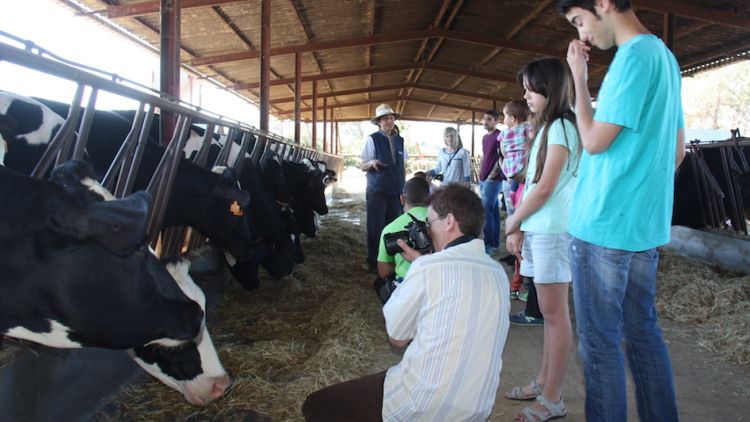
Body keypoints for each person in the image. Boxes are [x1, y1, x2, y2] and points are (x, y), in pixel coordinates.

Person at [559, 0, 685, 421]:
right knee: (643, 334)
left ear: (603, 4)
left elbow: (593, 140)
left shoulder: (632, 58)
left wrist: (578, 78)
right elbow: (678, 150)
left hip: (603, 227)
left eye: (580, 21)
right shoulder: (665, 58)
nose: (582, 35)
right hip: (642, 229)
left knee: (599, 345)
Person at [302, 185, 510, 421]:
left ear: (449, 221)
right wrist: (424, 264)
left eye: (430, 223)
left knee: (316, 405)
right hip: (477, 407)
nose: (428, 231)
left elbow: (397, 338)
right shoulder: (498, 272)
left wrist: (416, 271)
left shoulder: (427, 269)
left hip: (423, 403)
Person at [503, 57, 581, 422]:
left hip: (553, 230)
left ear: (549, 89)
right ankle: (543, 381)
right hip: (540, 227)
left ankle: (553, 398)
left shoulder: (563, 126)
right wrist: (520, 224)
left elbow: (547, 186)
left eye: (532, 88)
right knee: (549, 315)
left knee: (555, 317)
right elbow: (534, 181)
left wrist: (514, 219)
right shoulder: (549, 126)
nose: (525, 95)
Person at [361, 103, 407, 275]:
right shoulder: (372, 139)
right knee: (375, 227)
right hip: (377, 191)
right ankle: (373, 261)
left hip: (395, 192)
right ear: (378, 122)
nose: (389, 121)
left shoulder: (400, 141)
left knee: (394, 228)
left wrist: (403, 187)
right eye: (385, 118)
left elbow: (402, 166)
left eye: (391, 117)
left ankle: (391, 260)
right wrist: (372, 163)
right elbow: (362, 165)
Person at [373, 176, 430, 303]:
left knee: (379, 284)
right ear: (429, 199)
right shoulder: (442, 223)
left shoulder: (390, 229)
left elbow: (383, 271)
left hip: (407, 289)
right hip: (435, 285)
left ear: (402, 199)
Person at [499, 99, 533, 216]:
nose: (504, 120)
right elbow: (532, 138)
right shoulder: (526, 127)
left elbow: (503, 150)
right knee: (521, 177)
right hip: (523, 158)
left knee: (513, 176)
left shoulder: (504, 133)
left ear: (513, 119)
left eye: (505, 117)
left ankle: (511, 195)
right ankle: (513, 194)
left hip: (510, 160)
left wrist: (508, 155)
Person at [479, 110, 505, 255]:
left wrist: (491, 176)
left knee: (486, 210)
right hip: (484, 178)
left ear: (495, 121)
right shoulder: (484, 137)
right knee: (493, 211)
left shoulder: (499, 136)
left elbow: (500, 158)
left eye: (489, 119)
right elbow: (485, 156)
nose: (485, 121)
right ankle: (495, 243)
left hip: (493, 179)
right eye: (484, 119)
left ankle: (489, 244)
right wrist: (481, 175)